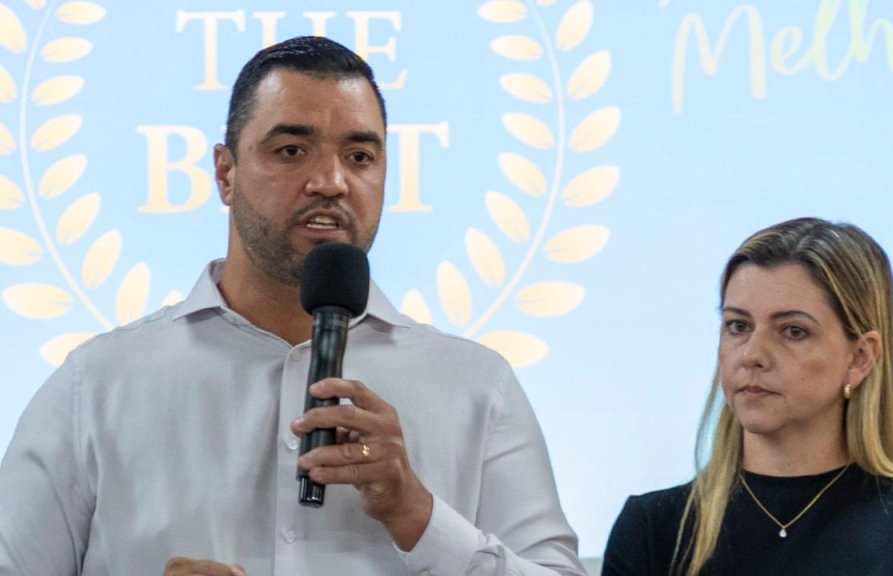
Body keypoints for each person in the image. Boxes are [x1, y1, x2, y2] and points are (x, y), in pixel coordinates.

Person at [0, 36, 585, 576]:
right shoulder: (98, 384)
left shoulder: (475, 385)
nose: (330, 181)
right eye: (291, 150)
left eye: (360, 156)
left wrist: (415, 511)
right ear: (225, 173)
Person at [601, 217, 893, 576]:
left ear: (860, 358)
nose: (752, 354)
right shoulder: (653, 528)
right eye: (738, 326)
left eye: (793, 331)